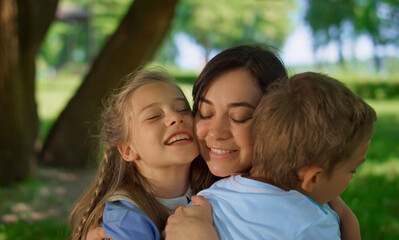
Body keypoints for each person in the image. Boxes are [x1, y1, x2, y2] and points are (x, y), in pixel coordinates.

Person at [85, 45, 361, 239]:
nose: (215, 132)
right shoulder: (205, 190)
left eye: (240, 117)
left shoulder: (305, 190)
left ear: (277, 121)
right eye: (204, 113)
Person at [194, 72, 377, 239]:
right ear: (313, 177)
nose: (352, 176)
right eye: (352, 169)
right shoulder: (311, 224)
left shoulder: (208, 200)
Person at [70, 70, 212, 240]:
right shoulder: (124, 217)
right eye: (153, 116)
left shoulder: (217, 186)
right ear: (128, 150)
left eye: (182, 109)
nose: (175, 117)